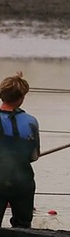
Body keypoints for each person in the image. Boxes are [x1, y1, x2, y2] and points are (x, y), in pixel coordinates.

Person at [0, 72, 40, 228]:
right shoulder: (31, 122)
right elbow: (34, 155)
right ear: (21, 98)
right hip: (22, 182)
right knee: (23, 227)